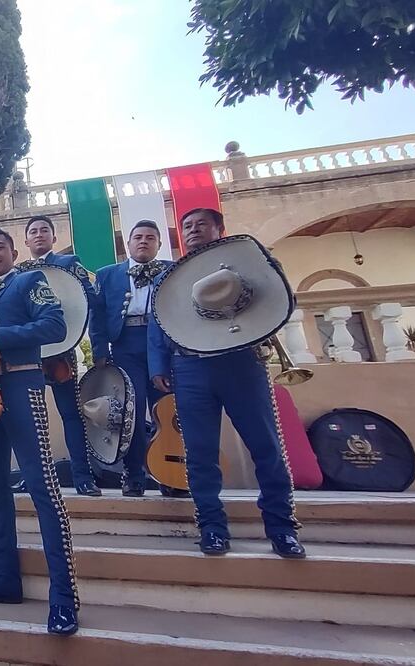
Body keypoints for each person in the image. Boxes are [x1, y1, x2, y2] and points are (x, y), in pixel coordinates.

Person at [148, 208, 305, 559]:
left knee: (266, 447)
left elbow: (280, 299)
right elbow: (157, 323)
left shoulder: (245, 262)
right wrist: (158, 365)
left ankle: (282, 529)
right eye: (186, 227)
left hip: (241, 362)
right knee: (200, 453)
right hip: (189, 368)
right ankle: (212, 528)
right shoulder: (169, 276)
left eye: (200, 225)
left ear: (220, 229)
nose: (192, 231)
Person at [0, 227, 79, 636]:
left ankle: (64, 598)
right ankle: (3, 579)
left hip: (22, 387)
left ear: (13, 251)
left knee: (43, 489)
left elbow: (55, 327)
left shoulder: (30, 281)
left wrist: (1, 335)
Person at [89, 220, 182, 497]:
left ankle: (172, 474)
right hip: (125, 345)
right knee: (132, 410)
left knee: (168, 409)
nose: (143, 241)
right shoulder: (107, 274)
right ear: (128, 244)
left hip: (164, 347)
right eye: (138, 237)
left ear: (158, 244)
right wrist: (100, 352)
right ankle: (134, 474)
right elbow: (98, 317)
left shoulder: (171, 270)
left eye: (150, 238)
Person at [22, 215, 100, 496]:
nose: (39, 235)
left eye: (45, 230)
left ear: (54, 238)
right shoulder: (19, 271)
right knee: (29, 418)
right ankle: (34, 477)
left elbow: (90, 299)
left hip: (61, 351)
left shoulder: (70, 264)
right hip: (29, 352)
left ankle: (83, 476)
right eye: (34, 231)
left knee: (71, 414)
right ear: (26, 240)